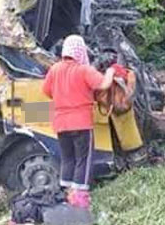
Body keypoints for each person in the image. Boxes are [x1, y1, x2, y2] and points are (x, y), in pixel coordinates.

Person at [42, 35, 115, 209]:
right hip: (81, 123)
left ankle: (66, 195)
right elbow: (104, 85)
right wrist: (111, 71)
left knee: (68, 159)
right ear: (81, 50)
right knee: (83, 160)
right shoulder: (83, 70)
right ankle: (80, 199)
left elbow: (46, 91)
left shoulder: (54, 69)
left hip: (61, 124)